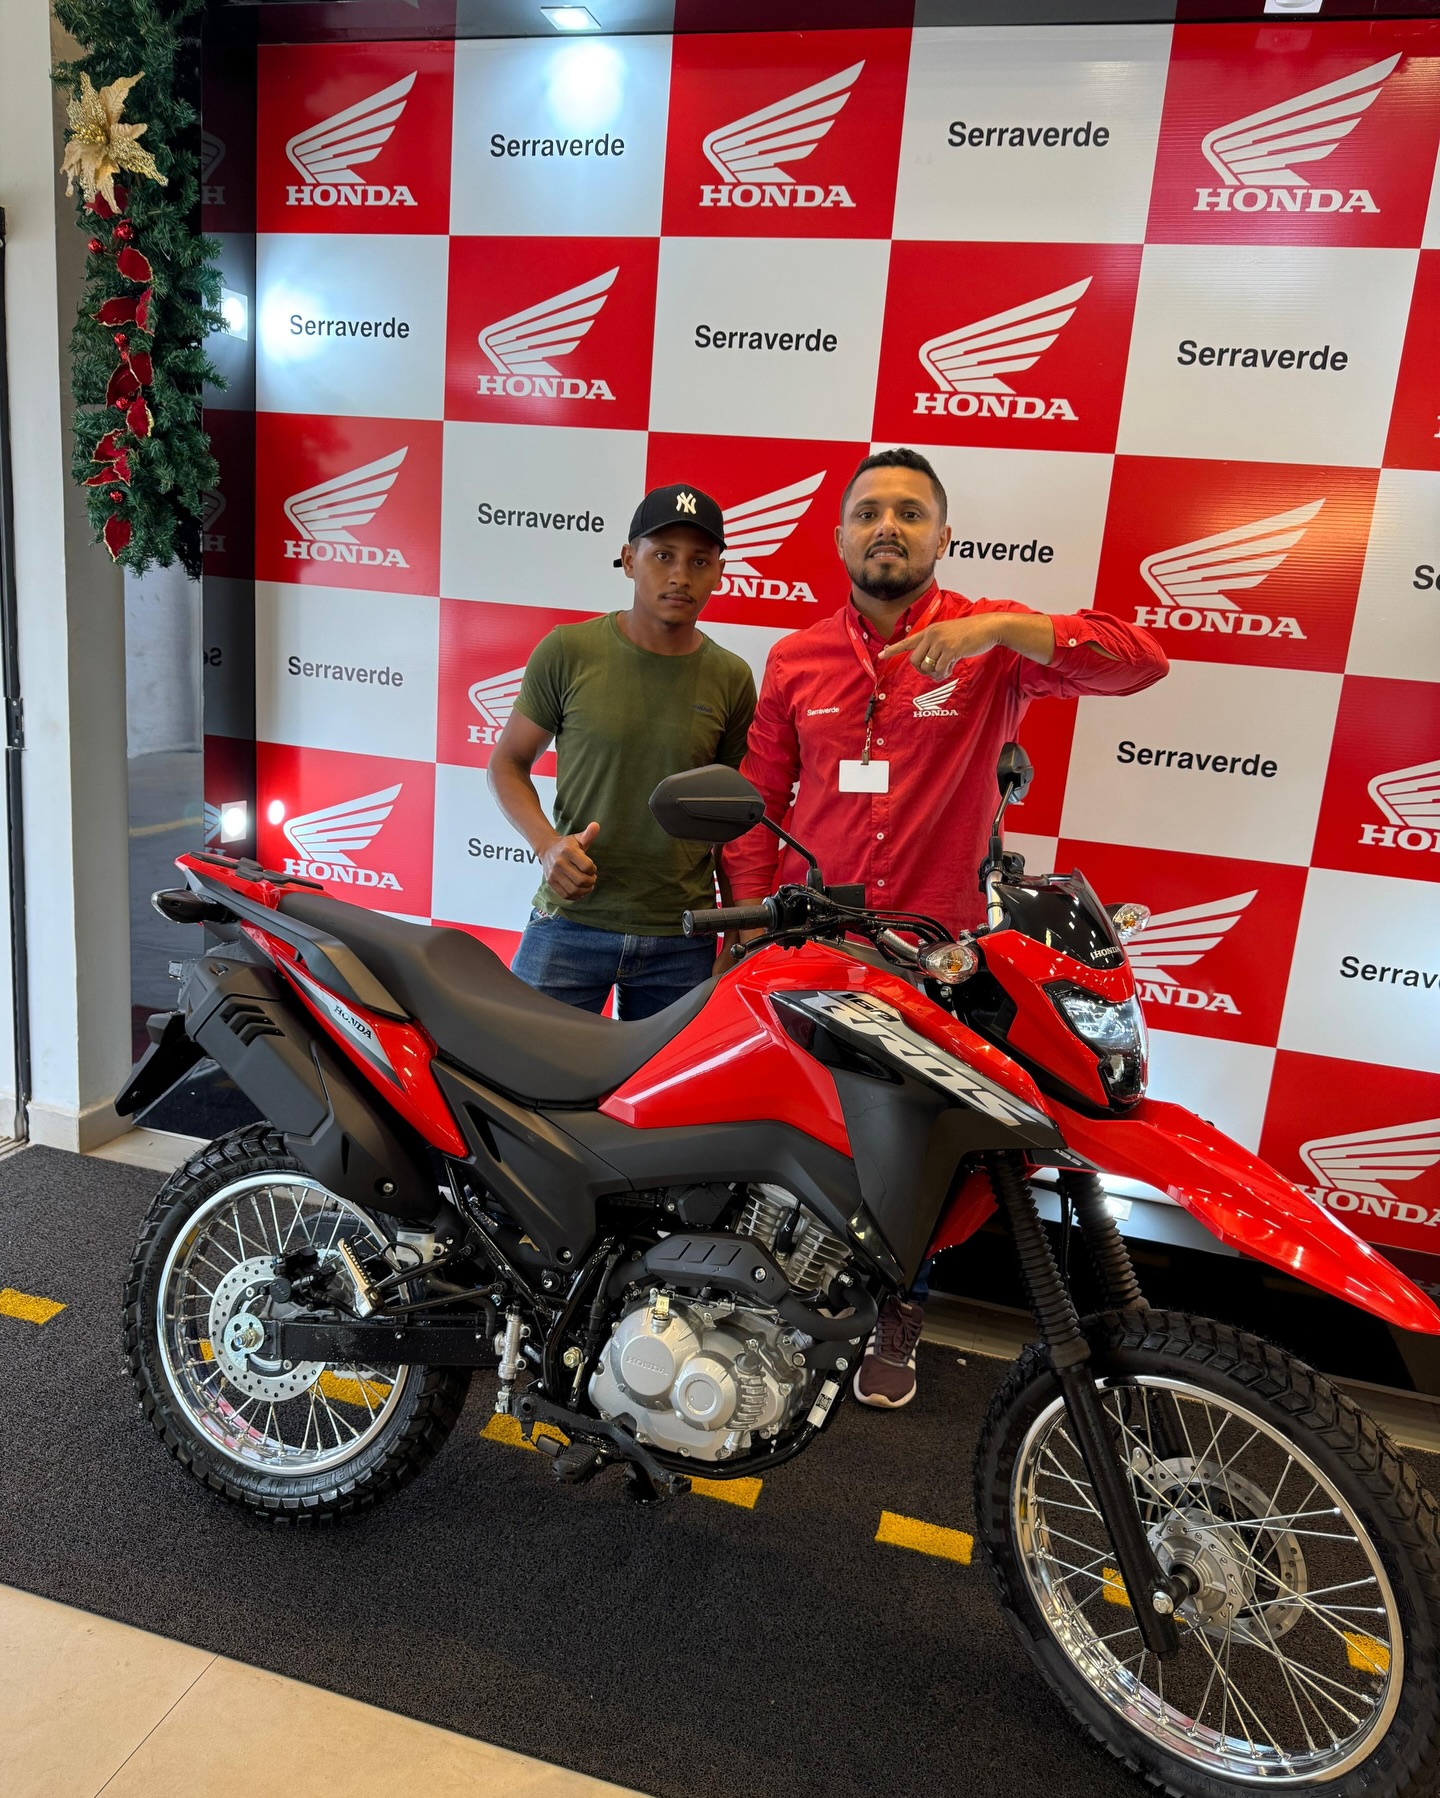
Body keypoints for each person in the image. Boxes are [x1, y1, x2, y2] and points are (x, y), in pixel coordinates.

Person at [724, 446, 1169, 1408]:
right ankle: (782, 1304)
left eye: (910, 512)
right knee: (799, 1134)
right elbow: (759, 802)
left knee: (930, 1151)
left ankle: (899, 1308)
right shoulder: (795, 658)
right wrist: (752, 932)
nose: (888, 526)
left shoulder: (991, 642)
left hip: (943, 956)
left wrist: (1000, 626)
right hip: (817, 949)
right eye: (869, 512)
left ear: (943, 536)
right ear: (840, 536)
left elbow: (1140, 662)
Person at [488, 483, 756, 1021]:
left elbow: (736, 822)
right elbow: (507, 764)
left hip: (683, 936)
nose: (680, 575)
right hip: (571, 924)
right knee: (524, 1068)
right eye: (663, 556)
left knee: (664, 1080)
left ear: (719, 573)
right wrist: (547, 846)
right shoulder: (568, 650)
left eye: (699, 561)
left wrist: (738, 932)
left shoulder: (732, 677)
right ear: (629, 560)